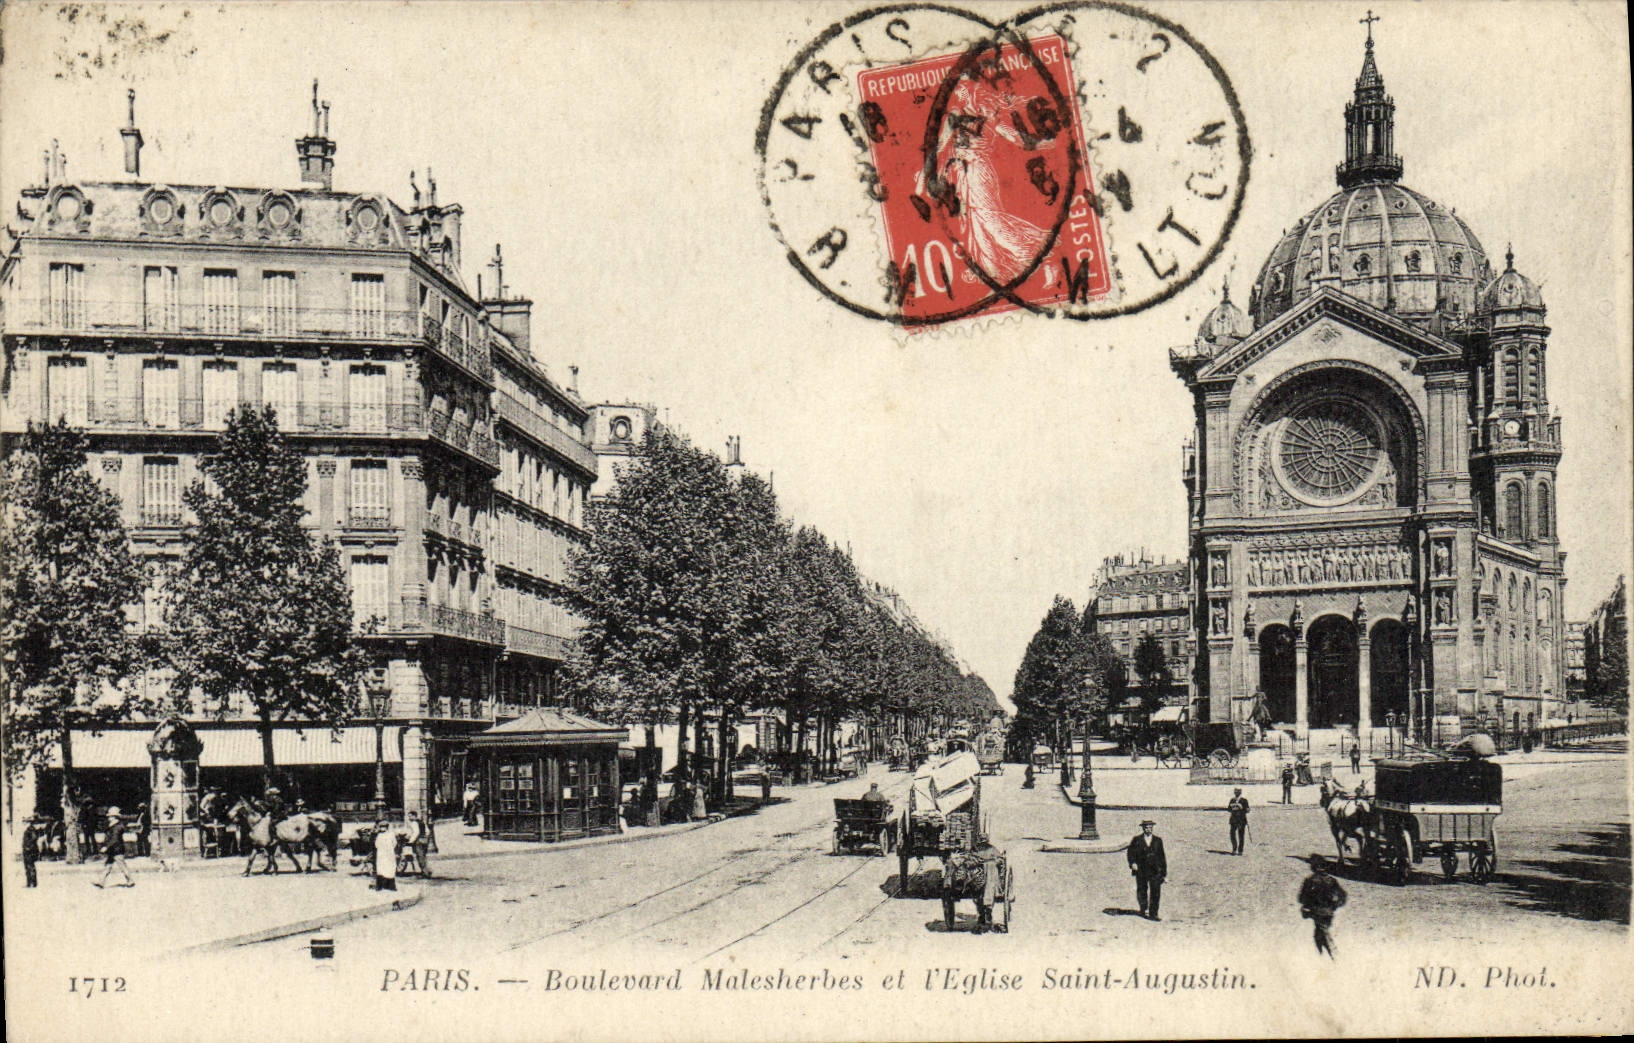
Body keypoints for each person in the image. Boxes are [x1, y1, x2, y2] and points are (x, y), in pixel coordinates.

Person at [1299, 854, 1348, 958]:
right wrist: (1335, 905)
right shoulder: (1332, 880)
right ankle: (1325, 957)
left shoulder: (1310, 880)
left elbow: (1302, 898)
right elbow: (1343, 895)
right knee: (1319, 933)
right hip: (1329, 912)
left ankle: (1333, 956)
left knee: (1323, 934)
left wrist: (1307, 906)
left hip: (1317, 912)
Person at [1127, 819, 1167, 921]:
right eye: (1146, 828)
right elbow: (1130, 853)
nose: (1148, 829)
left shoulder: (1158, 840)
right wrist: (1132, 863)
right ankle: (1143, 908)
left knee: (1155, 891)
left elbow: (1162, 857)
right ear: (1143, 828)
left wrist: (1163, 873)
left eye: (1150, 827)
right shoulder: (1136, 840)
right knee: (1142, 890)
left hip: (1155, 871)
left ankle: (1153, 913)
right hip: (1141, 870)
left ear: (1152, 828)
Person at [95, 809, 135, 889]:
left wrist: (106, 847)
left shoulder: (117, 827)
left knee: (122, 866)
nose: (108, 817)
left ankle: (130, 880)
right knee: (108, 866)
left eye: (110, 816)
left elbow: (114, 839)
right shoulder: (113, 825)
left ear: (114, 817)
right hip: (113, 849)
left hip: (117, 850)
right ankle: (101, 881)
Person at [372, 819, 398, 891]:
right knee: (381, 868)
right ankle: (380, 885)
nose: (382, 828)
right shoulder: (379, 835)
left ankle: (391, 885)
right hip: (381, 854)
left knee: (389, 868)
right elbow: (376, 844)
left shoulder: (391, 834)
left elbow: (394, 843)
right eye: (381, 827)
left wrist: (390, 849)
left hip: (389, 854)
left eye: (384, 827)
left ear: (387, 827)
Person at [403, 811, 429, 877]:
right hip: (424, 840)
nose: (409, 818)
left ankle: (425, 873)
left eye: (410, 816)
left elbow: (416, 833)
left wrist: (410, 841)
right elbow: (427, 831)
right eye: (408, 816)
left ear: (414, 816)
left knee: (420, 856)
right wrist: (425, 837)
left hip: (418, 841)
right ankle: (427, 871)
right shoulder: (421, 822)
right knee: (423, 856)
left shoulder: (414, 823)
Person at [1227, 788, 1250, 856]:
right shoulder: (1232, 800)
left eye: (1238, 792)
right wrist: (1232, 807)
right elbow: (1228, 809)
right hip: (1233, 820)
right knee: (1232, 834)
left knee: (1241, 835)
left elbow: (1247, 810)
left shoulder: (1244, 800)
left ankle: (1240, 850)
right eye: (1235, 792)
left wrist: (1241, 807)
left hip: (1241, 820)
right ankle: (1234, 848)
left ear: (1240, 792)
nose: (1236, 793)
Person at [22, 817, 42, 888]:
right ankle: (29, 883)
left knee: (30, 866)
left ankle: (33, 883)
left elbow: (34, 838)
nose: (24, 823)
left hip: (30, 851)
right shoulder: (28, 830)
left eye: (25, 821)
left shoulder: (31, 829)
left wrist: (28, 847)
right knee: (27, 867)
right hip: (27, 850)